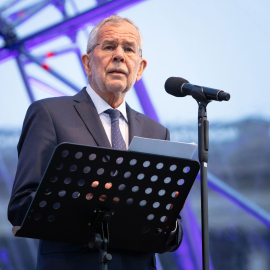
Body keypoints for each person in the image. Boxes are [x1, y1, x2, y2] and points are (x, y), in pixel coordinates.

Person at [8, 15, 183, 270]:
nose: (120, 55)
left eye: (129, 49)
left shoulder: (157, 132)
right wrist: (84, 202)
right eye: (109, 46)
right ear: (88, 63)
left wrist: (167, 218)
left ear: (140, 68)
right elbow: (21, 205)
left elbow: (170, 237)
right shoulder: (49, 114)